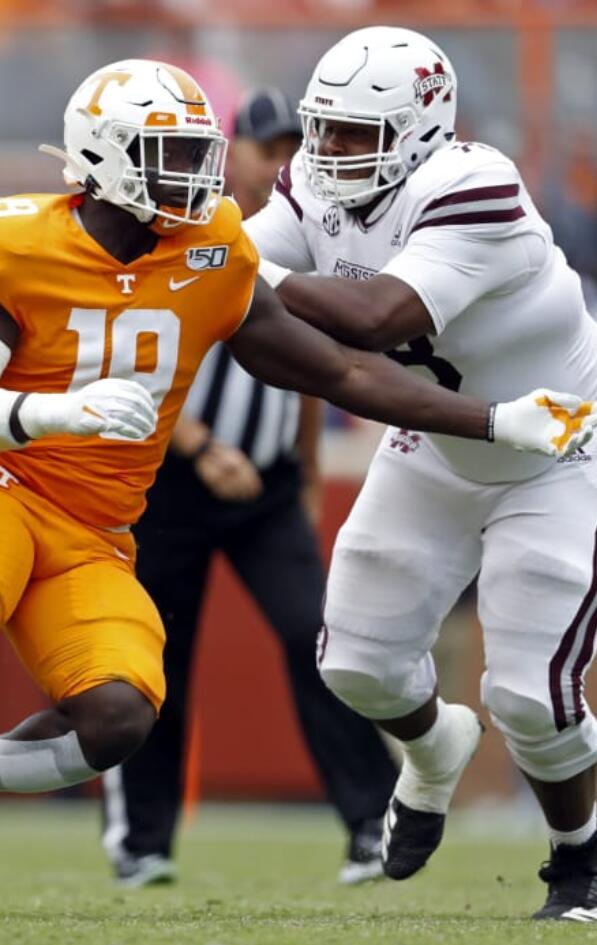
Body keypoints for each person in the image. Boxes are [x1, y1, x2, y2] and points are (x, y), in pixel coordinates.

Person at [0, 58, 597, 917]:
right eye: (167, 154)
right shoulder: (16, 243)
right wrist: (60, 413)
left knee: (121, 715)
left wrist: (489, 419)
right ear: (100, 156)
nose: (192, 175)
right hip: (4, 490)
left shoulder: (208, 251)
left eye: (196, 152)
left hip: (97, 529)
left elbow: (341, 372)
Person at [243, 27, 597, 921]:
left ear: (422, 126)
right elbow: (232, 257)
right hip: (440, 440)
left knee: (531, 694)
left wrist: (243, 270)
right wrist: (222, 258)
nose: (329, 152)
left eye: (353, 133)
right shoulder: (312, 185)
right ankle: (432, 748)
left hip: (558, 443)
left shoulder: (473, 185)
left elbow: (380, 316)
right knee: (358, 664)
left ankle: (582, 860)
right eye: (323, 129)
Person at [100, 88, 397, 889]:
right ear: (233, 153)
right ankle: (141, 836)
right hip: (172, 481)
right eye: (269, 149)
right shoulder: (189, 228)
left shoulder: (308, 238)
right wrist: (200, 448)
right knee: (154, 654)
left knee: (318, 637)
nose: (283, 164)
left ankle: (373, 820)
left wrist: (303, 476)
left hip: (264, 486)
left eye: (293, 150)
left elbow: (310, 373)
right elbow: (138, 360)